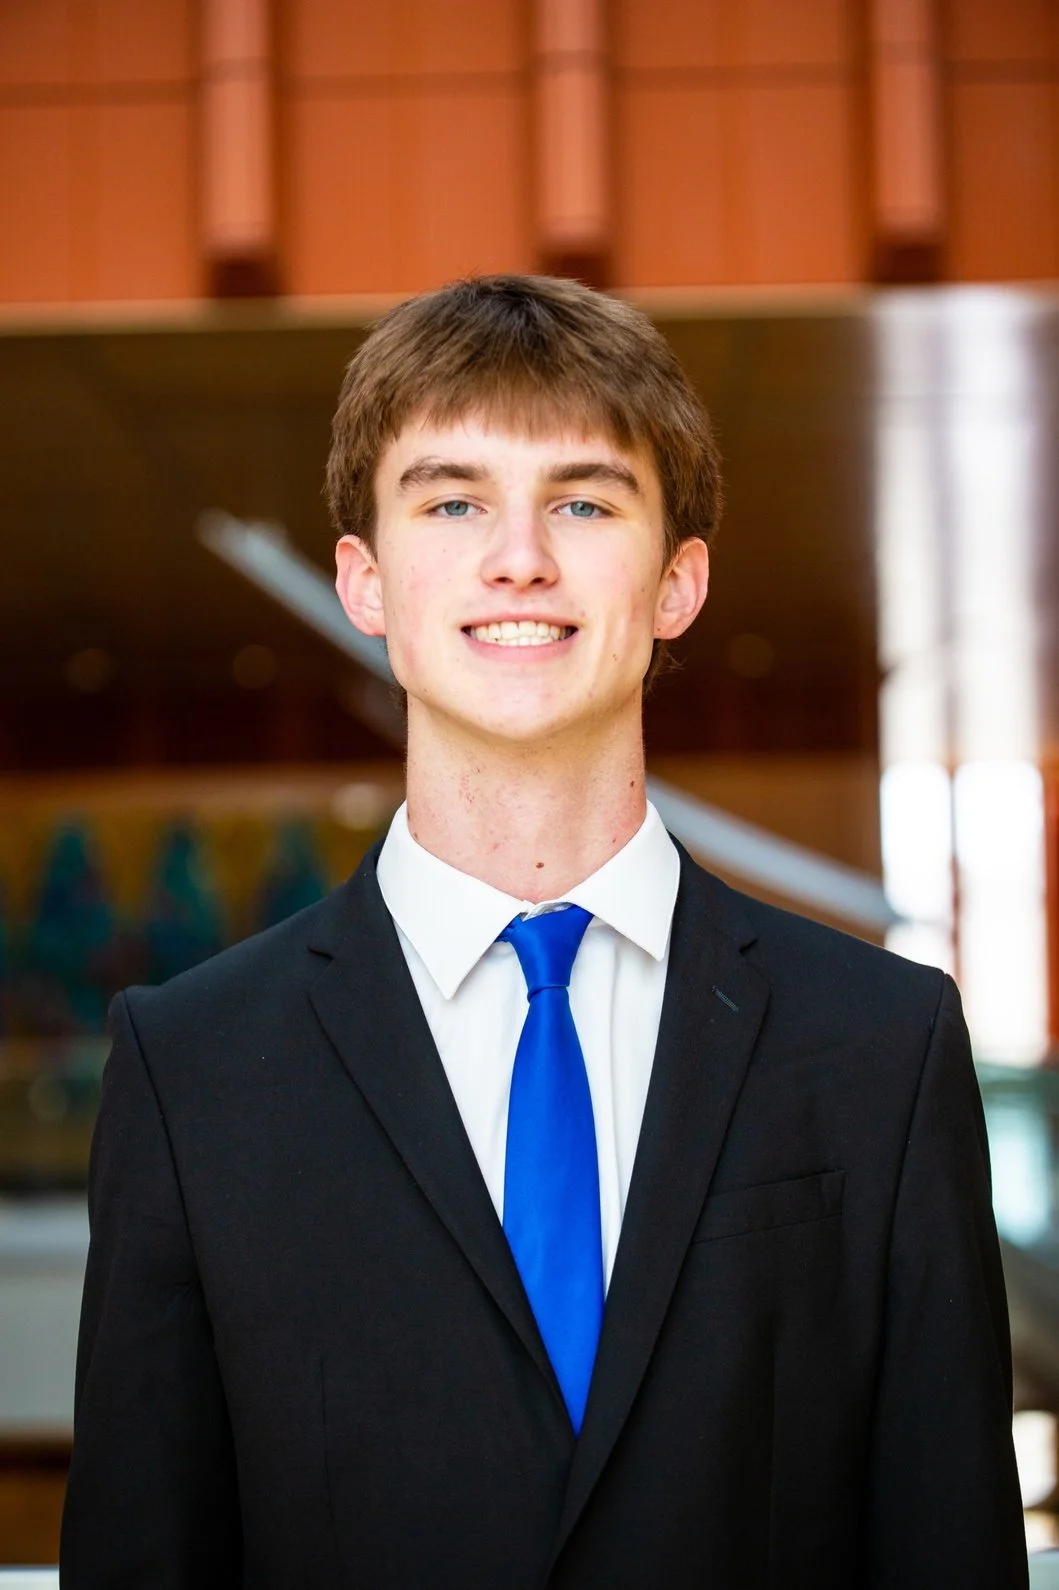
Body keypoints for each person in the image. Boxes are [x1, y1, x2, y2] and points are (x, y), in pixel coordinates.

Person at [60, 275, 1027, 1588]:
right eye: (452, 502)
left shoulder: (878, 1045)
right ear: (365, 579)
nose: (518, 556)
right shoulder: (190, 1070)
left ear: (677, 579)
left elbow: (946, 1542)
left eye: (582, 500)